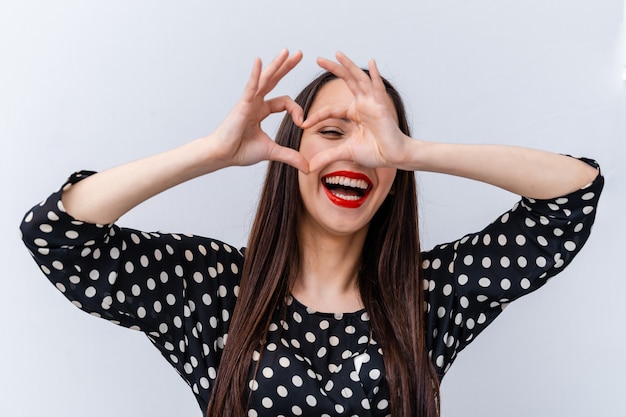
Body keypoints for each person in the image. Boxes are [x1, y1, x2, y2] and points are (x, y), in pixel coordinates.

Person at [20, 50, 603, 417]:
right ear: (289, 152)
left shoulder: (427, 295)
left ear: (395, 178)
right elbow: (57, 236)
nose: (355, 152)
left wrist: (411, 151)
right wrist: (212, 152)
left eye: (374, 141)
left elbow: (572, 196)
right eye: (331, 131)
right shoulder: (216, 289)